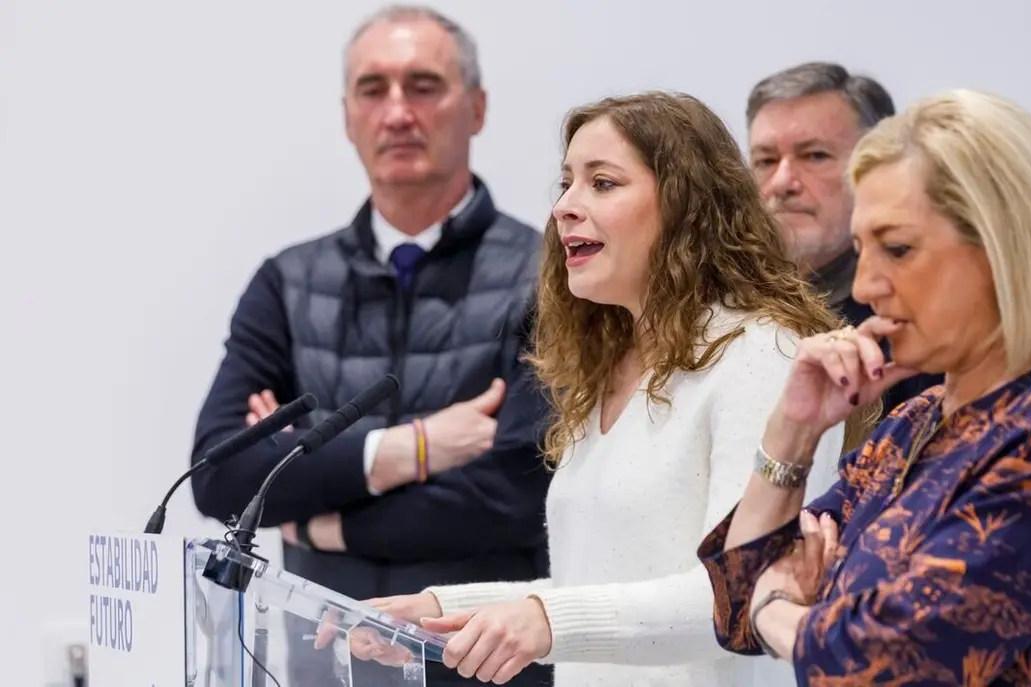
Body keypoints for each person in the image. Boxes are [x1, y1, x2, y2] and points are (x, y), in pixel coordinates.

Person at [324, 91, 867, 686]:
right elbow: (597, 588)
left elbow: (748, 590)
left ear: (687, 204)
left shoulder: (764, 352)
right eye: (567, 183)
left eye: (602, 184)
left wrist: (544, 619)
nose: (565, 207)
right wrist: (439, 611)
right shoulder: (610, 365)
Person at [697, 89, 1031, 684]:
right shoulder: (918, 420)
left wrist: (779, 610)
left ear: (1004, 250)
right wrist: (795, 427)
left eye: (897, 249)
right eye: (862, 249)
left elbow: (880, 661)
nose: (864, 287)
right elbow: (736, 603)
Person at [189, 6, 553, 686]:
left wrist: (319, 512)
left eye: (423, 86)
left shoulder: (547, 279)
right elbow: (219, 475)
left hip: (485, 670)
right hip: (319, 665)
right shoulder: (287, 283)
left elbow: (513, 497)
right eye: (372, 89)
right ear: (347, 115)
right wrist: (411, 450)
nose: (397, 112)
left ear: (475, 107)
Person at [745, 61, 941, 413]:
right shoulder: (726, 307)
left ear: (877, 165)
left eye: (814, 156)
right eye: (766, 160)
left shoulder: (916, 315)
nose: (782, 183)